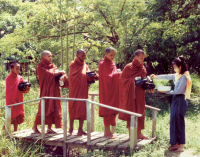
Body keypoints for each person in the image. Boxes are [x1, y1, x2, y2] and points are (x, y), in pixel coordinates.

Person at [151, 55, 192, 152]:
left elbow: (178, 91)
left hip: (180, 101)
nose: (174, 69)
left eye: (175, 67)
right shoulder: (178, 75)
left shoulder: (184, 77)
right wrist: (156, 76)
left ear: (180, 67)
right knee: (174, 121)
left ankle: (181, 146)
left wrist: (166, 92)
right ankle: (176, 144)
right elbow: (168, 76)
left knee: (179, 122)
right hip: (175, 100)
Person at [33, 50, 69, 134]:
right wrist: (60, 72)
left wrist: (62, 76)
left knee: (53, 109)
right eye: (49, 56)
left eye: (51, 56)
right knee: (43, 108)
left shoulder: (53, 66)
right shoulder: (40, 67)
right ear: (43, 57)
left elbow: (55, 75)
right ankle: (34, 126)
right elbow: (48, 74)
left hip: (55, 91)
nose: (51, 57)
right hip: (46, 91)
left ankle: (49, 128)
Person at [119, 49, 152, 139]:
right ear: (135, 57)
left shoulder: (142, 68)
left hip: (140, 94)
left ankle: (139, 134)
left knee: (140, 112)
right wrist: (133, 81)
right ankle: (131, 134)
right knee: (131, 112)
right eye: (141, 58)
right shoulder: (128, 67)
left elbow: (143, 81)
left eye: (143, 59)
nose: (142, 60)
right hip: (130, 95)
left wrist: (148, 85)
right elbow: (122, 81)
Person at [68, 49, 98, 136]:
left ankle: (80, 129)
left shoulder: (85, 65)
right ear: (77, 56)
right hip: (74, 90)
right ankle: (71, 129)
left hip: (83, 90)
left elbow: (87, 74)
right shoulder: (73, 64)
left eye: (85, 56)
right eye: (82, 56)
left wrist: (93, 75)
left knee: (82, 108)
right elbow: (72, 77)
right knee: (73, 107)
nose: (84, 57)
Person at [98, 47, 121, 139]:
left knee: (112, 109)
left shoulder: (113, 63)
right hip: (105, 90)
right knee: (107, 109)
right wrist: (118, 74)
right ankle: (108, 133)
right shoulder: (102, 64)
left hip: (113, 89)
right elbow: (106, 77)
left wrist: (117, 74)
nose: (113, 57)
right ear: (106, 54)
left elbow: (113, 73)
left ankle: (106, 132)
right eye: (111, 55)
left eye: (114, 55)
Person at [5, 62, 30, 132]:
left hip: (19, 98)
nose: (18, 70)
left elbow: (23, 89)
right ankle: (6, 131)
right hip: (11, 100)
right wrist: (13, 101)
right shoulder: (8, 79)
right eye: (17, 69)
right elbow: (9, 91)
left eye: (19, 69)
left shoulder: (20, 78)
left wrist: (27, 88)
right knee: (11, 115)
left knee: (17, 115)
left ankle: (15, 131)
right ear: (12, 69)